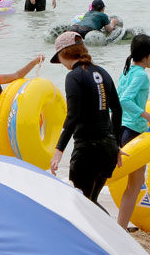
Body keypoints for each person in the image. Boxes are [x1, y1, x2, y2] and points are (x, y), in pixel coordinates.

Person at [49, 32, 121, 202]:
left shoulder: (73, 76)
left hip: (87, 151)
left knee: (80, 204)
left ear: (63, 54)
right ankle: (105, 228)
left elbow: (73, 115)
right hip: (108, 149)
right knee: (91, 202)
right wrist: (116, 144)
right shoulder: (102, 71)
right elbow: (117, 110)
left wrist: (59, 150)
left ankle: (107, 228)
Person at [116, 34, 150, 229]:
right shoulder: (141, 74)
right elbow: (124, 100)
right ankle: (121, 228)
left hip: (121, 129)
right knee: (134, 185)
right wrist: (148, 117)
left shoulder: (126, 71)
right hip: (133, 131)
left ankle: (120, 227)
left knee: (133, 184)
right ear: (149, 55)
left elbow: (117, 100)